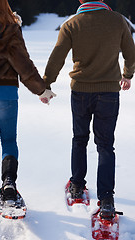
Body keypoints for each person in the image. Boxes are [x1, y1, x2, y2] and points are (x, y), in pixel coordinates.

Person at [39, 0, 135, 219]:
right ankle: (107, 199)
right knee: (105, 145)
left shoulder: (72, 24)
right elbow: (131, 53)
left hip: (81, 92)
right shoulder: (117, 20)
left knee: (79, 139)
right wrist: (127, 75)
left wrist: (46, 84)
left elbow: (57, 57)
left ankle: (77, 185)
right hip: (109, 93)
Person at [0, 0, 45, 210]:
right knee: (8, 140)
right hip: (5, 93)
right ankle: (8, 185)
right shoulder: (11, 27)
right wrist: (41, 89)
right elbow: (22, 61)